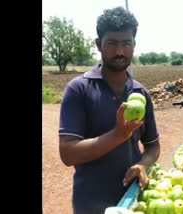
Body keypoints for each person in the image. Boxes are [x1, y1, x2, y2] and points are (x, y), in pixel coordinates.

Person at [58, 7, 160, 214]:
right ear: (98, 45)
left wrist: (142, 165)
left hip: (132, 201)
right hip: (91, 204)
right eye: (112, 43)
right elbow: (68, 153)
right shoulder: (79, 89)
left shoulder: (141, 93)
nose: (120, 51)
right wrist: (118, 135)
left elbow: (152, 147)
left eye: (126, 43)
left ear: (134, 45)